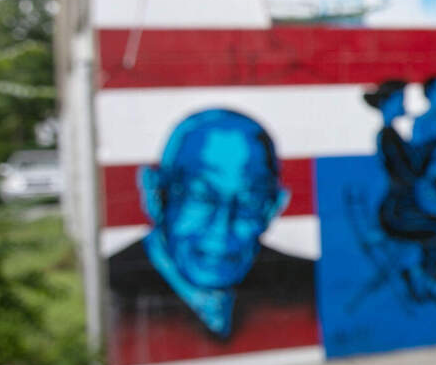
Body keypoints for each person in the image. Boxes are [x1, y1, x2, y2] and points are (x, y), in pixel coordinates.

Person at [108, 109, 313, 340]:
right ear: (155, 195)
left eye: (248, 202)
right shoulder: (110, 289)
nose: (221, 229)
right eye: (201, 198)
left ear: (273, 207)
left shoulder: (308, 286)